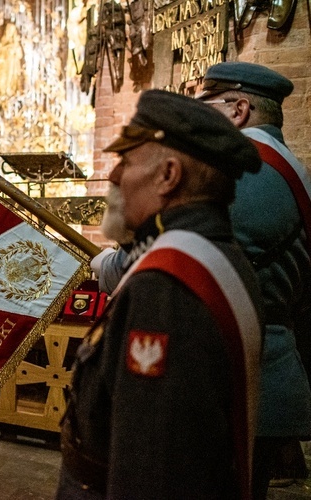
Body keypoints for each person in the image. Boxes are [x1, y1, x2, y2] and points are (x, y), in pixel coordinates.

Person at [92, 62, 311, 499]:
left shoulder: (254, 172)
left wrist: (111, 266)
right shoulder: (284, 168)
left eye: (204, 105)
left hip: (229, 373)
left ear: (239, 110)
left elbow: (194, 256)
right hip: (260, 362)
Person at [58, 90, 265, 499]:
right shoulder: (217, 252)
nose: (115, 176)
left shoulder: (165, 289)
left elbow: (152, 467)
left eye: (128, 161)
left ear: (168, 176)